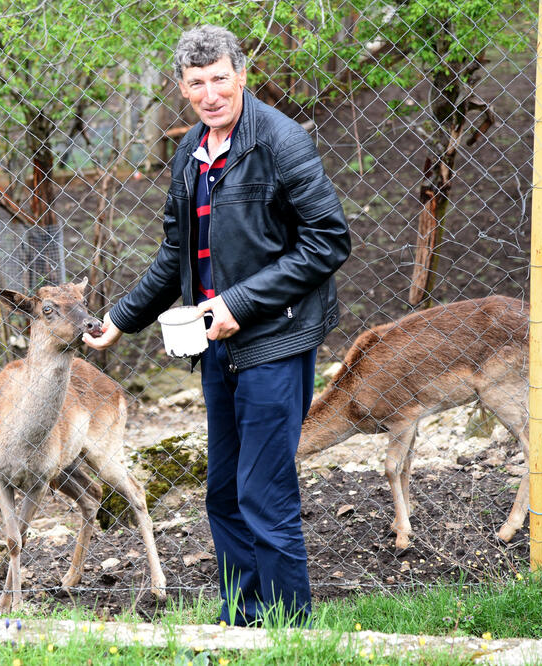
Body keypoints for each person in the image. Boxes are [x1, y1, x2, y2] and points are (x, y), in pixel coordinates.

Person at [84, 24, 351, 626]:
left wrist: (238, 304)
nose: (210, 94)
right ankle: (243, 624)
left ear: (241, 75)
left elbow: (329, 240)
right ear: (182, 88)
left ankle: (287, 629)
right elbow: (174, 257)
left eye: (220, 80)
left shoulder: (281, 142)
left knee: (263, 490)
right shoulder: (190, 154)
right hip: (215, 346)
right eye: (197, 82)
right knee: (224, 492)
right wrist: (120, 320)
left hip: (274, 340)